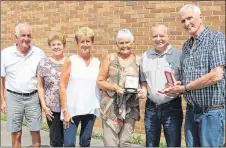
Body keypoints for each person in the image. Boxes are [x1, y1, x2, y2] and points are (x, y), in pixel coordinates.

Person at [166, 4, 225, 147]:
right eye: (183, 21)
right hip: (192, 112)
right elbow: (190, 78)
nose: (186, 23)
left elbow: (216, 75)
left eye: (189, 18)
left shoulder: (215, 38)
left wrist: (184, 88)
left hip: (211, 112)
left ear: (201, 18)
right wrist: (178, 85)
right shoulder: (186, 46)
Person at [96, 28, 147, 147]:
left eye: (127, 42)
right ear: (117, 44)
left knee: (126, 142)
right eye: (121, 43)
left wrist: (143, 90)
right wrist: (114, 87)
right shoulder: (110, 58)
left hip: (130, 107)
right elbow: (100, 81)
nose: (124, 45)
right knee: (110, 143)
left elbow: (143, 82)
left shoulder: (139, 61)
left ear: (133, 43)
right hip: (111, 107)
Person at [0, 23, 46, 147]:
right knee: (16, 132)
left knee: (35, 130)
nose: (26, 38)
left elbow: (44, 78)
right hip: (13, 97)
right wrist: (3, 101)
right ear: (16, 36)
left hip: (33, 97)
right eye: (23, 35)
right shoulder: (5, 54)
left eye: (29, 35)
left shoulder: (39, 53)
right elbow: (1, 78)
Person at [139, 24, 183, 147]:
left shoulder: (179, 55)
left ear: (169, 36)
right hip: (151, 107)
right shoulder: (145, 56)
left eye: (162, 35)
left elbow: (185, 82)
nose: (158, 39)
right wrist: (143, 88)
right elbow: (143, 80)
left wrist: (179, 86)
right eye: (155, 36)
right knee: (151, 144)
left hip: (172, 107)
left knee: (173, 144)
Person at [60, 27, 100, 147]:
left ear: (92, 43)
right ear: (77, 43)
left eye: (88, 41)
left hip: (90, 110)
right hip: (72, 110)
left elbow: (101, 85)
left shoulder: (97, 63)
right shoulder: (71, 61)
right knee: (68, 143)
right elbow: (62, 86)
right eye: (82, 41)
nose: (85, 44)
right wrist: (65, 110)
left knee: (85, 143)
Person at [37, 33, 67, 147]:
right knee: (55, 140)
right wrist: (44, 106)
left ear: (63, 45)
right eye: (53, 44)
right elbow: (40, 86)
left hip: (67, 108)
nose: (56, 47)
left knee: (68, 140)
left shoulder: (70, 62)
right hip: (51, 109)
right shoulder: (43, 63)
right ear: (50, 46)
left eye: (59, 44)